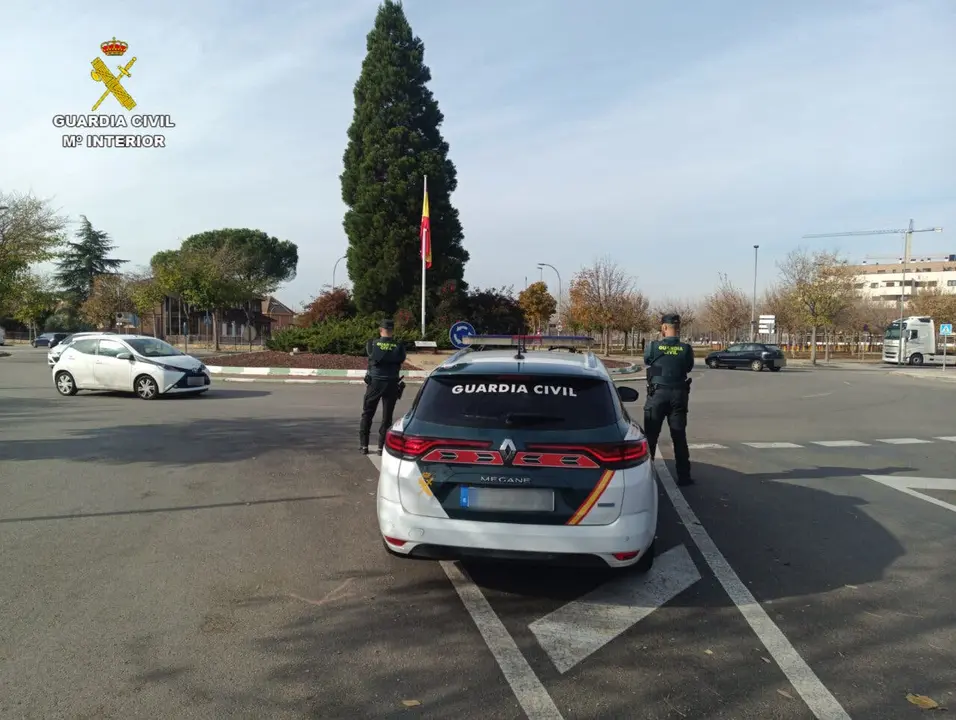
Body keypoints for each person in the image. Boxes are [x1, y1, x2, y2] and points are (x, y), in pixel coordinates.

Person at [643, 313, 695, 485]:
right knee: (679, 437)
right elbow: (688, 367)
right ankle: (684, 477)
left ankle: (644, 477)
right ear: (678, 328)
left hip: (657, 395)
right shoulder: (686, 349)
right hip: (678, 396)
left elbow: (647, 361)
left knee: (650, 437)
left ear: (664, 328)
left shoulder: (653, 347)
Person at [359, 318, 407, 455]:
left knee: (367, 414)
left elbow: (370, 356)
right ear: (392, 331)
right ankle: (381, 447)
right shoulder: (399, 346)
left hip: (375, 383)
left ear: (380, 330)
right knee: (387, 417)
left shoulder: (371, 344)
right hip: (391, 383)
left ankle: (364, 446)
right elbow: (401, 359)